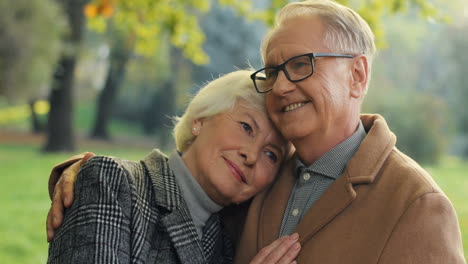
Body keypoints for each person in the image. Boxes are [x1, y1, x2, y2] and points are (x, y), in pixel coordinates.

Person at [47, 1, 466, 263]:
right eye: (275, 71)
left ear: (357, 75)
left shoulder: (417, 207)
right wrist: (87, 174)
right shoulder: (255, 189)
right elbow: (179, 192)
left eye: (302, 64)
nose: (282, 86)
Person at [46, 70, 301, 264]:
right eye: (246, 127)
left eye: (271, 154)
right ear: (200, 120)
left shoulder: (229, 241)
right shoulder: (114, 183)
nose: (252, 155)